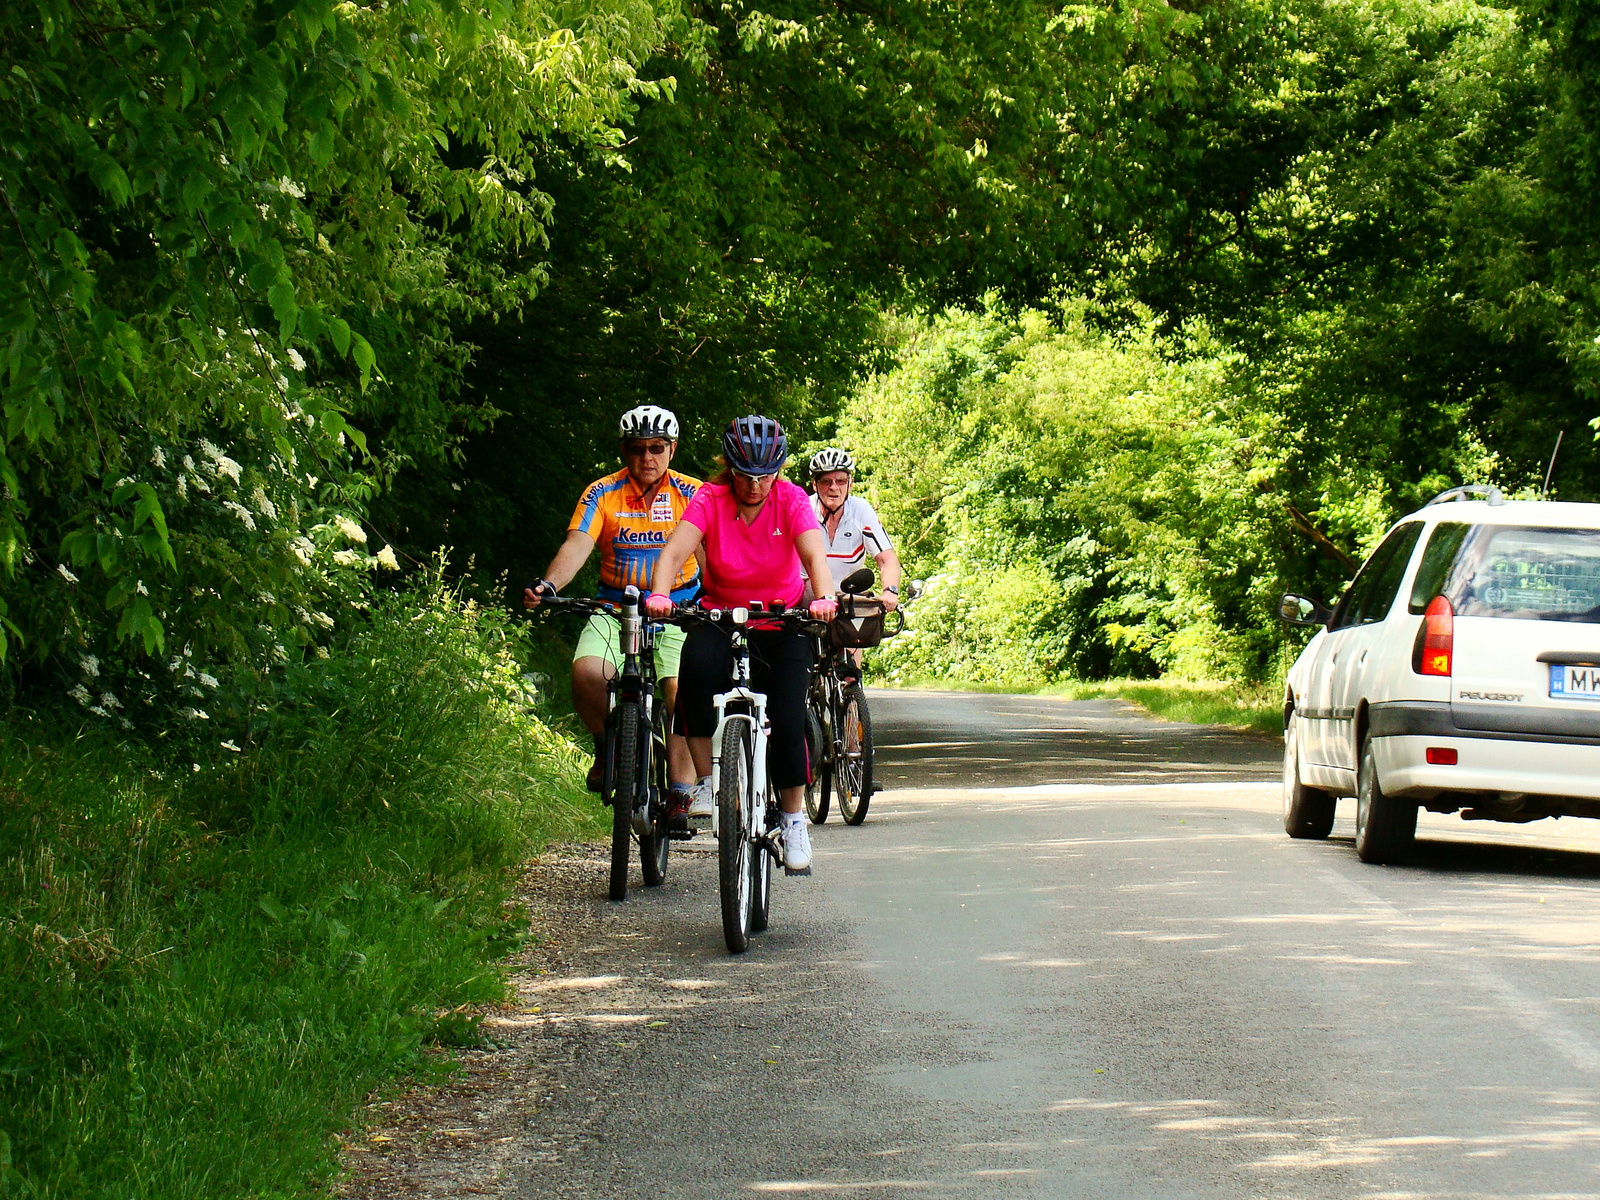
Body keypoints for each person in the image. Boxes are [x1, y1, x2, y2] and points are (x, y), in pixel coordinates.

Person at [645, 415, 838, 873]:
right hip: (720, 617)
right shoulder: (710, 499)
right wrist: (659, 593)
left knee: (789, 717)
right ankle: (710, 785)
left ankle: (793, 820)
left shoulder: (791, 499)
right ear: (729, 467)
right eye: (745, 475)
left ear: (779, 470)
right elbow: (674, 552)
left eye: (765, 475)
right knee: (691, 676)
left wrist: (825, 598)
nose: (755, 485)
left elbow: (814, 554)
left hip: (780, 621)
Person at [523, 405, 704, 825]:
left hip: (679, 608)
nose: (647, 458)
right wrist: (550, 585)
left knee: (679, 689)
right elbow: (577, 544)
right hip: (614, 607)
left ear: (672, 449)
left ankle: (681, 790)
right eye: (637, 449)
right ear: (624, 450)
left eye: (656, 448)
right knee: (587, 672)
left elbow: (709, 556)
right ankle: (607, 746)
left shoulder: (694, 494)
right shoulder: (602, 493)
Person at [807, 448, 902, 675]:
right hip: (808, 597)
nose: (834, 487)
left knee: (851, 668)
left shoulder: (860, 510)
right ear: (814, 484)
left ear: (850, 484)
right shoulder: (803, 509)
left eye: (841, 481)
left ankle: (851, 699)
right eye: (826, 481)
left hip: (846, 598)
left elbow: (887, 559)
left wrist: (890, 591)